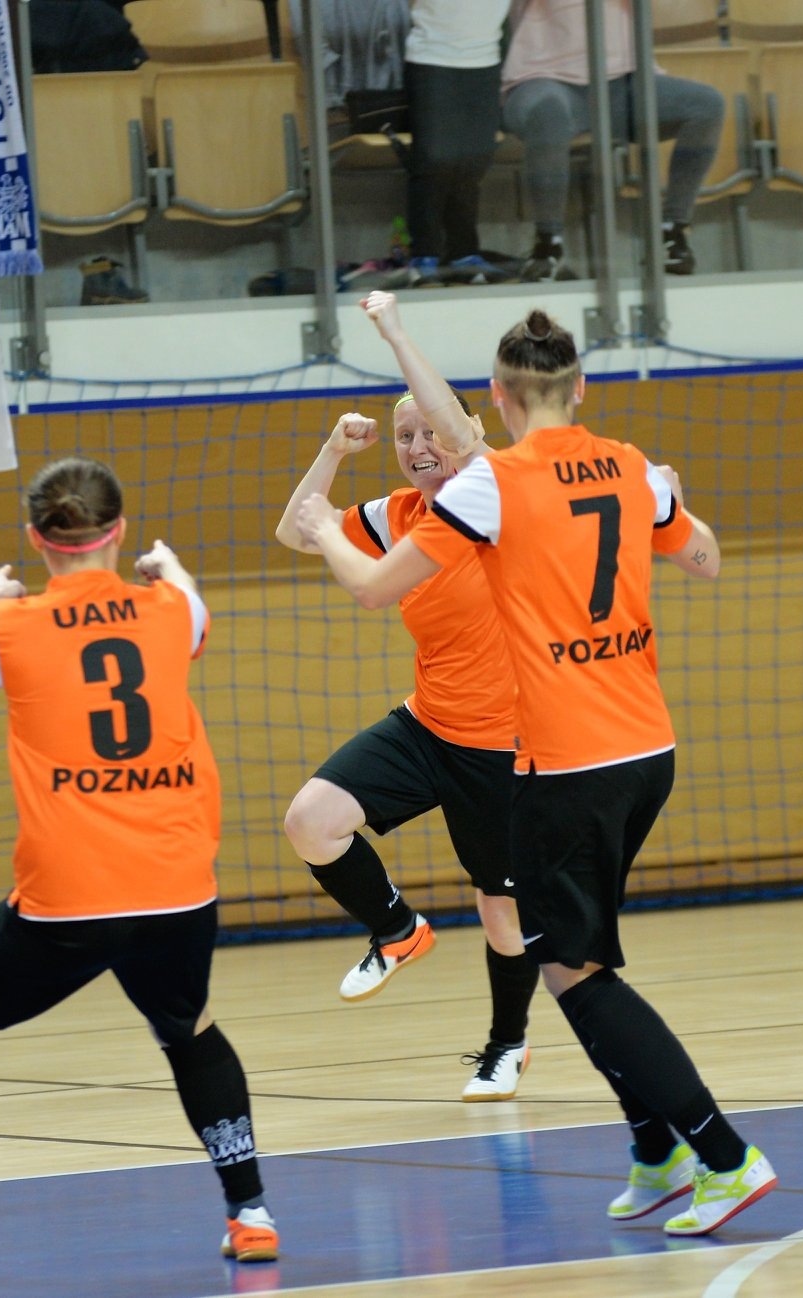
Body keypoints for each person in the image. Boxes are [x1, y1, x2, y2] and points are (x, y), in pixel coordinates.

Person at [294, 292, 777, 1236]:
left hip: (569, 759)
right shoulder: (633, 467)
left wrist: (320, 530)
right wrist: (666, 503)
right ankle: (655, 1154)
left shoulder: (495, 485)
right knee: (574, 952)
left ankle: (722, 1154)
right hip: (647, 745)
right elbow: (707, 560)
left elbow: (370, 587)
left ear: (501, 399)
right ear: (580, 385)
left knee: (575, 969)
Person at [0, 458, 277, 1271]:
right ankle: (250, 1212)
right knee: (187, 1026)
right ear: (121, 531)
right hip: (178, 885)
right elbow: (189, 616)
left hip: (72, 897)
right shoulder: (174, 609)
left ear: (36, 539)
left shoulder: (4, 627)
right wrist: (169, 572)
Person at [273, 393, 539, 1101]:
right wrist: (332, 451)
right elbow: (295, 531)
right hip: (427, 725)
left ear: (465, 433)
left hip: (504, 746)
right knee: (310, 821)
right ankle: (396, 929)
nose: (418, 446)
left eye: (431, 432)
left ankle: (507, 1045)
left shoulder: (500, 501)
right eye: (403, 435)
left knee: (500, 909)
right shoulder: (397, 515)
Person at [502, 0, 725, 279]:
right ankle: (548, 244)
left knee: (706, 105)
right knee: (549, 115)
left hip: (623, 80)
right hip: (543, 77)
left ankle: (671, 231)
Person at [401, 0, 511, 285]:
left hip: (485, 61)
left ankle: (464, 255)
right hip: (431, 58)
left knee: (474, 161)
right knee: (433, 161)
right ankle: (423, 256)